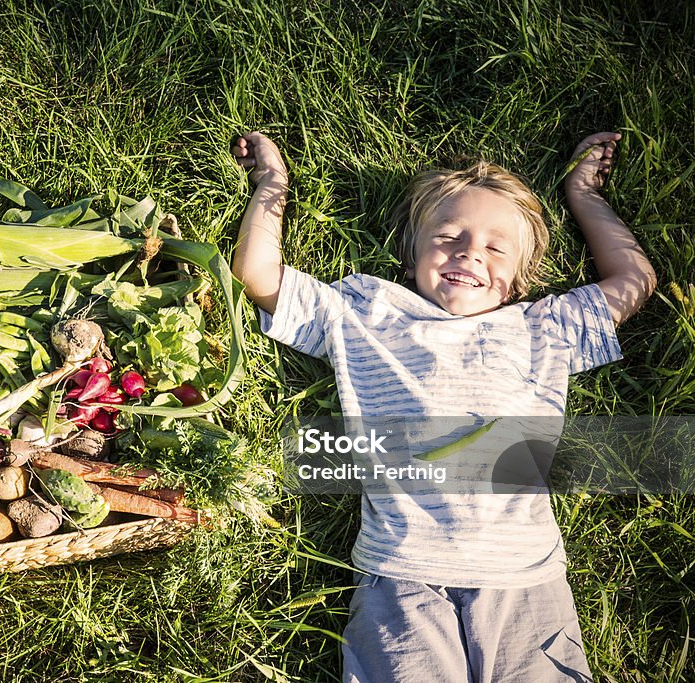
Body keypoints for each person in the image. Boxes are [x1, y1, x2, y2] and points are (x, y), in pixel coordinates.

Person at [230, 131, 656, 682]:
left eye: (496, 248)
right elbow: (259, 276)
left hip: (524, 576)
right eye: (449, 235)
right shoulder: (365, 313)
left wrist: (586, 196)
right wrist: (271, 184)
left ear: (517, 280)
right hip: (403, 572)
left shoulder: (544, 328)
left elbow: (634, 281)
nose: (470, 251)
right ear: (411, 256)